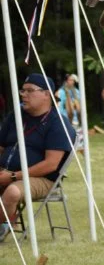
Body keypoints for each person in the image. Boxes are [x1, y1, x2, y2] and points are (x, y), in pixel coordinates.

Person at [0, 74, 76, 240]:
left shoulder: (57, 123)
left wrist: (13, 176)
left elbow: (50, 164)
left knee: (12, 192)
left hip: (41, 178)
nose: (23, 95)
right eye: (22, 90)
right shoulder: (16, 116)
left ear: (46, 94)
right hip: (7, 171)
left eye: (29, 91)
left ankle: (3, 225)